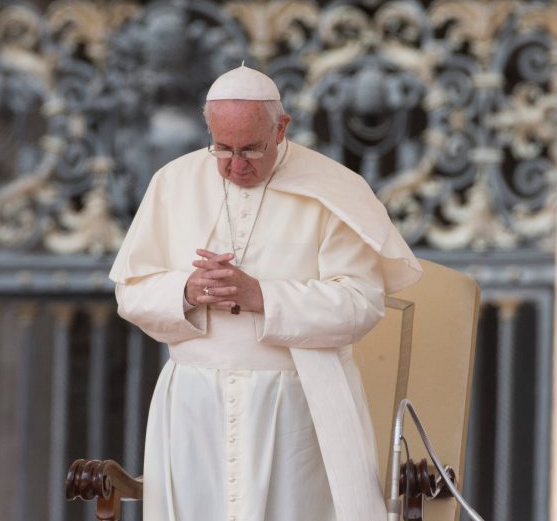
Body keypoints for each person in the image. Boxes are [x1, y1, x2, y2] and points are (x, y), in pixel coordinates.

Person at [109, 64, 422, 521]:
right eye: (222, 149)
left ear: (281, 129)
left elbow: (362, 304)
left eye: (252, 150)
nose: (236, 166)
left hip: (297, 404)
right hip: (194, 407)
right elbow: (130, 294)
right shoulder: (172, 183)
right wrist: (187, 291)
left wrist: (262, 297)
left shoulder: (335, 190)